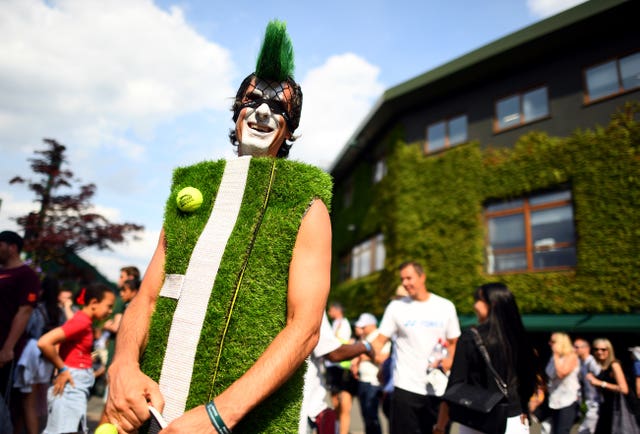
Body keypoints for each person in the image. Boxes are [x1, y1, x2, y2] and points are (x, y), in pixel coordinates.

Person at [104, 20, 332, 434]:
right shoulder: (193, 191)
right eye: (253, 100)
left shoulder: (307, 203)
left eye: (279, 107)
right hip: (151, 410)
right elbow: (148, 297)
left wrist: (218, 416)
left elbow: (305, 328)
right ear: (236, 111)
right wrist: (121, 366)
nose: (264, 111)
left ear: (290, 127)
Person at [434, 282, 538, 434]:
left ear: (492, 303)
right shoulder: (519, 337)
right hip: (514, 420)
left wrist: (440, 426)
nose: (475, 305)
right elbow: (528, 381)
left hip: (477, 421)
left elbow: (454, 387)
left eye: (478, 299)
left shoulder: (470, 338)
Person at [371, 261, 461, 434]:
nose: (404, 283)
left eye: (409, 278)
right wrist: (365, 352)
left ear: (422, 277)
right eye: (402, 279)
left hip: (438, 388)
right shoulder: (396, 307)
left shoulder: (445, 306)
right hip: (405, 387)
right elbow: (380, 339)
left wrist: (450, 360)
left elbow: (454, 343)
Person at [37, 283, 115, 434]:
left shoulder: (83, 321)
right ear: (93, 303)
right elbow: (44, 342)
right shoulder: (81, 322)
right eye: (109, 306)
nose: (110, 311)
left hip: (76, 381)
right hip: (72, 382)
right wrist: (63, 368)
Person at [301, 313, 374, 434]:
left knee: (345, 407)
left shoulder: (343, 323)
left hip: (346, 373)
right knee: (338, 405)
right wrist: (365, 346)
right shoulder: (313, 306)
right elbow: (334, 353)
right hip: (305, 409)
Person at [13, 275, 66, 434]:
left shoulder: (38, 309)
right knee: (31, 401)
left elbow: (28, 330)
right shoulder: (60, 313)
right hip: (48, 360)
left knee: (28, 402)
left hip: (33, 358)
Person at [0, 230, 41, 426]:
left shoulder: (27, 275)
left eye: (0, 245)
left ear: (12, 247)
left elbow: (24, 311)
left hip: (4, 350)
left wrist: (8, 347)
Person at [587, 338, 638, 433]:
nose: (599, 352)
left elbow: (623, 389)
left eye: (603, 349)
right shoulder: (601, 367)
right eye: (596, 349)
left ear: (609, 350)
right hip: (606, 407)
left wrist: (600, 383)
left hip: (618, 409)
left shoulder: (614, 365)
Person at [351, 313, 390, 434]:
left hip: (374, 381)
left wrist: (364, 356)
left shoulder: (380, 337)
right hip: (363, 380)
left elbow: (384, 358)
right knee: (366, 416)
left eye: (364, 327)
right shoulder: (366, 338)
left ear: (372, 325)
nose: (361, 329)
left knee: (372, 416)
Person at [326, 302, 356, 434]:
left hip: (342, 367)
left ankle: (342, 431)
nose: (328, 312)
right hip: (332, 366)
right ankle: (337, 429)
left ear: (337, 310)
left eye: (330, 310)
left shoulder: (344, 323)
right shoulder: (334, 324)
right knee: (335, 402)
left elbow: (343, 343)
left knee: (344, 404)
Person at [545, 332, 580, 434]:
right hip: (554, 399)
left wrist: (555, 354)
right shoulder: (553, 358)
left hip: (568, 400)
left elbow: (561, 373)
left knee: (562, 431)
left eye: (553, 341)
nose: (550, 344)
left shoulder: (571, 356)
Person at [574, 337, 601, 434]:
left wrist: (595, 380)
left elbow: (601, 377)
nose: (574, 350)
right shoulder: (581, 362)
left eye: (577, 347)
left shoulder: (592, 362)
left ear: (586, 348)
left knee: (584, 431)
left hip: (596, 403)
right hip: (587, 403)